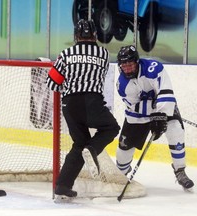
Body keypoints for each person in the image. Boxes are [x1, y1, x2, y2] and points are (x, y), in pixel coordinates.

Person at [46, 19, 120, 200]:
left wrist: (70, 84)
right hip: (92, 102)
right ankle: (92, 149)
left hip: (70, 105)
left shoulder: (66, 53)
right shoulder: (103, 54)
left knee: (79, 144)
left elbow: (52, 84)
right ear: (95, 35)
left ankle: (63, 186)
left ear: (76, 35)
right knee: (111, 128)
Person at [115, 45, 194, 190]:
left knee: (176, 131)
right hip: (137, 116)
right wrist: (155, 113)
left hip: (164, 109)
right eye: (123, 65)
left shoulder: (153, 68)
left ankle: (180, 170)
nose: (127, 69)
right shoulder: (122, 84)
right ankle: (120, 173)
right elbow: (134, 107)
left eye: (130, 65)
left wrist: (161, 114)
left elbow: (165, 92)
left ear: (137, 62)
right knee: (124, 149)